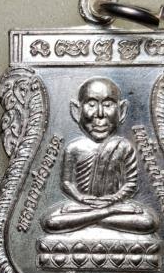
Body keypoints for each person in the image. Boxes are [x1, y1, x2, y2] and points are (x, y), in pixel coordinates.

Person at [41, 76, 158, 234]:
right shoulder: (74, 148)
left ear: (122, 111)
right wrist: (82, 199)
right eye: (91, 104)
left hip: (113, 204)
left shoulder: (124, 147)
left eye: (108, 105)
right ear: (76, 111)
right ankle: (104, 215)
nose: (100, 113)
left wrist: (113, 199)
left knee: (147, 222)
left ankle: (93, 218)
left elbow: (131, 184)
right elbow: (67, 183)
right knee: (51, 221)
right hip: (82, 206)